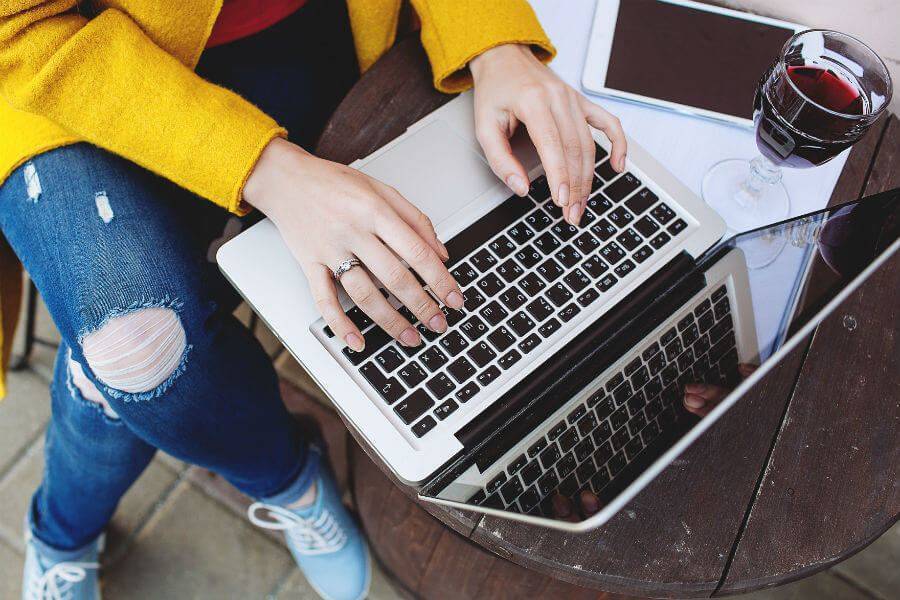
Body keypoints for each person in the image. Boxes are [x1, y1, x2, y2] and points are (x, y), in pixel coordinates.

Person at [0, 1, 627, 598]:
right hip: (69, 65)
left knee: (111, 367)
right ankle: (288, 479)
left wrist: (495, 41)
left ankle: (60, 536)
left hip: (324, 31)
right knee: (133, 351)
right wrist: (269, 171)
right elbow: (20, 23)